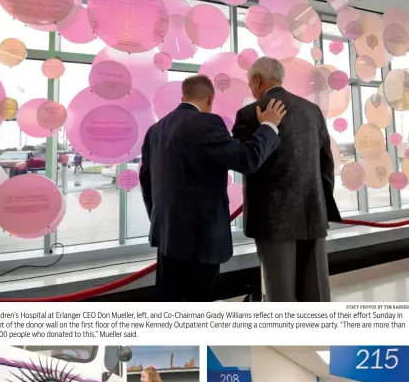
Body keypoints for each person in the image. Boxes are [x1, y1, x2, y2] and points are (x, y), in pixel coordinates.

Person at [139, 74, 286, 302]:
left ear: (183, 96)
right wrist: (269, 125)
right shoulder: (208, 123)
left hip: (167, 235)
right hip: (201, 240)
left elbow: (146, 179)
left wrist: (160, 219)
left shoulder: (155, 130)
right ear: (210, 98)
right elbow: (247, 159)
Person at [232, 56, 341, 302]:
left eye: (250, 84)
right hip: (313, 210)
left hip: (272, 216)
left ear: (257, 80)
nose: (251, 89)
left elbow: (244, 160)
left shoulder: (250, 113)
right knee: (316, 289)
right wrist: (320, 200)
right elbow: (326, 162)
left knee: (279, 289)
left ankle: (284, 339)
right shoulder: (312, 111)